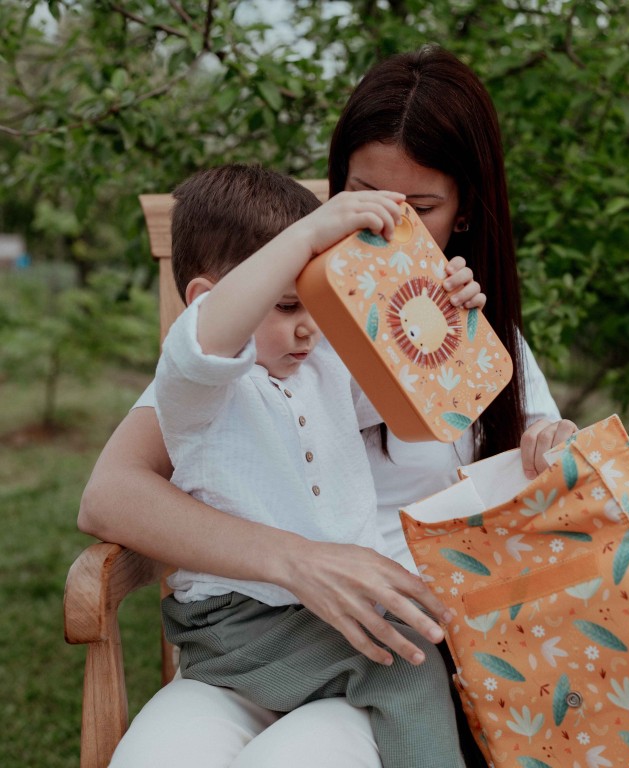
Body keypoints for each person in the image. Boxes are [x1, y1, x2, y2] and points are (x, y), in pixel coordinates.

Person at [80, 46, 576, 767]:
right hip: (260, 633)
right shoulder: (279, 328)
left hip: (395, 660)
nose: (385, 228)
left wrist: (443, 335)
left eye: (421, 209)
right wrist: (299, 562)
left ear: (467, 210)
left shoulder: (467, 335)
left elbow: (473, 446)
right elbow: (113, 492)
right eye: (364, 196)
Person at [153, 162, 478, 768]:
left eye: (314, 306)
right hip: (239, 625)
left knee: (408, 649)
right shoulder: (199, 388)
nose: (307, 328)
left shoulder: (323, 367)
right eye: (283, 305)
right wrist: (305, 236)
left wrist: (446, 304)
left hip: (318, 619)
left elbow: (422, 387)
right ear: (207, 300)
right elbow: (202, 343)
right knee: (406, 665)